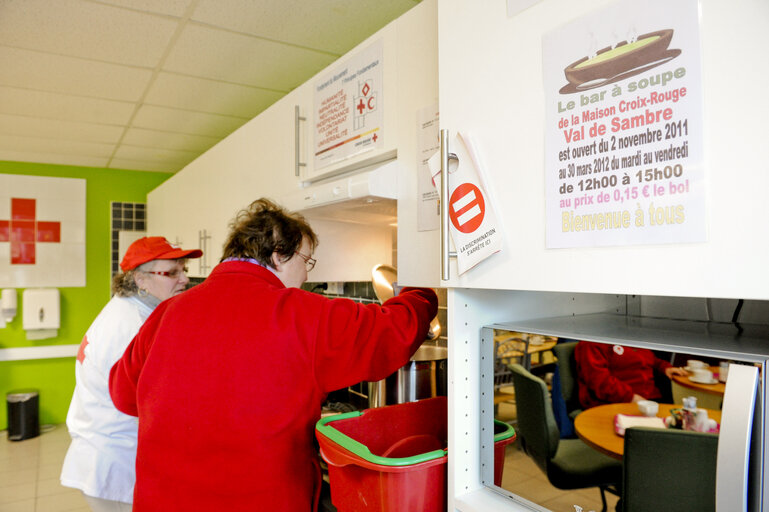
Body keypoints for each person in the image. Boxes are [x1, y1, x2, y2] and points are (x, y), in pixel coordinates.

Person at [108, 198, 438, 512]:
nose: (307, 275)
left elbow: (123, 395)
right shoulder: (303, 313)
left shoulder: (165, 313)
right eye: (306, 261)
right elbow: (394, 331)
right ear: (279, 254)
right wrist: (419, 285)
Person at [61, 237, 202, 511]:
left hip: (106, 451)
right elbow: (149, 401)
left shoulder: (129, 311)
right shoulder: (130, 326)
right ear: (140, 279)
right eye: (172, 272)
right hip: (115, 460)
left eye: (183, 269)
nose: (185, 279)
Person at [574, 340, 688, 409]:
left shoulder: (628, 337)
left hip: (649, 400)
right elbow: (600, 381)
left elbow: (648, 358)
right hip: (617, 404)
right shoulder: (591, 342)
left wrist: (664, 367)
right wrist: (631, 397)